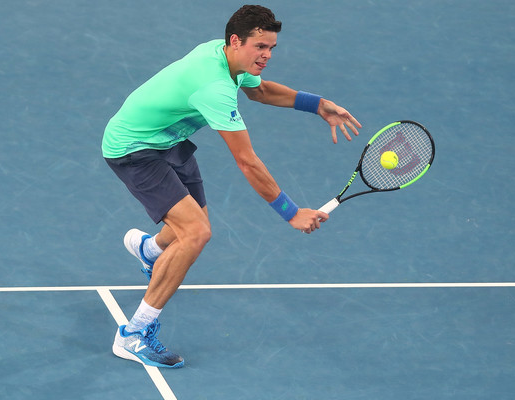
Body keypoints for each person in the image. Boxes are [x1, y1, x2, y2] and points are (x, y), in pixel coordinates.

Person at [102, 5, 361, 368]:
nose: (267, 55)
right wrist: (290, 212)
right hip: (134, 149)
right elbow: (247, 161)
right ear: (236, 41)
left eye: (271, 48)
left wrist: (317, 105)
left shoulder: (224, 55)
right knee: (195, 233)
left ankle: (149, 250)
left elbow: (262, 92)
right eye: (260, 47)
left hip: (168, 141)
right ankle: (132, 334)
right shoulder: (214, 87)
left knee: (187, 229)